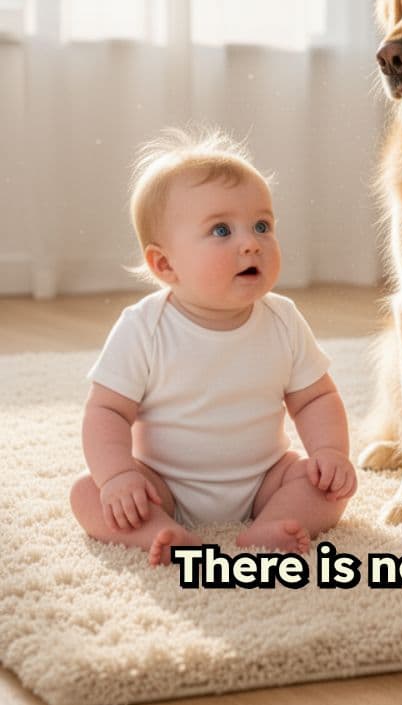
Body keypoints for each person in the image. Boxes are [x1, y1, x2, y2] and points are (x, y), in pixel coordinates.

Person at [70, 127, 357, 565]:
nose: (250, 243)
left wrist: (330, 453)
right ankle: (158, 531)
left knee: (327, 487)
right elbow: (106, 411)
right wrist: (119, 476)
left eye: (262, 225)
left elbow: (315, 397)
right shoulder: (144, 326)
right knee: (88, 493)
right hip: (161, 483)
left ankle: (269, 526)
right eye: (221, 230)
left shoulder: (282, 319)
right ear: (165, 264)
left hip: (265, 478)